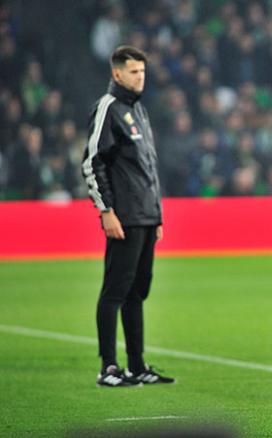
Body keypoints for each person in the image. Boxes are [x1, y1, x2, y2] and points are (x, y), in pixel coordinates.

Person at [82, 45, 174, 387]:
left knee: (137, 292)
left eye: (143, 72)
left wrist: (157, 215)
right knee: (115, 291)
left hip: (146, 216)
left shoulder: (139, 111)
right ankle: (108, 366)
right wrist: (106, 211)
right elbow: (92, 161)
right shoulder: (108, 108)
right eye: (134, 72)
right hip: (124, 217)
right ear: (116, 73)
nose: (140, 77)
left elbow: (146, 168)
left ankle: (136, 365)